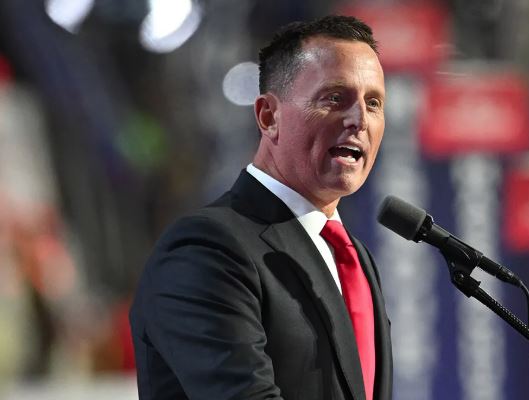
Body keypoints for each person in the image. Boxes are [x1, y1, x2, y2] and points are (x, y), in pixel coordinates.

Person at [129, 15, 392, 400]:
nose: (360, 120)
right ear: (269, 116)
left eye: (373, 103)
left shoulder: (354, 257)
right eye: (335, 98)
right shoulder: (206, 249)